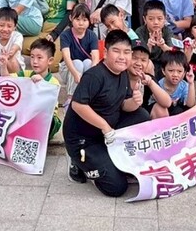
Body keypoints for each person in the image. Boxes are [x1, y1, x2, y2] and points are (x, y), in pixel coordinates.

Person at [63, 29, 151, 196]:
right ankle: (77, 162)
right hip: (84, 140)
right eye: (116, 51)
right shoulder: (94, 76)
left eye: (127, 52)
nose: (122, 57)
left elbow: (123, 104)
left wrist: (135, 102)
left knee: (142, 116)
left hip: (107, 133)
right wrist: (105, 127)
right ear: (105, 52)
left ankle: (111, 156)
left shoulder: (123, 73)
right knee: (117, 188)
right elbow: (78, 105)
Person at [14, 38, 62, 140]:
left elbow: (48, 108)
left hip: (47, 120)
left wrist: (42, 84)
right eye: (32, 57)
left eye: (39, 58)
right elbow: (8, 81)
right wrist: (3, 65)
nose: (35, 61)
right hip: (27, 115)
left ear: (50, 61)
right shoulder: (25, 74)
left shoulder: (54, 83)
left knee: (49, 120)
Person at [58, 4, 98, 97]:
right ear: (70, 18)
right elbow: (66, 57)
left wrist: (93, 74)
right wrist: (75, 73)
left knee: (88, 62)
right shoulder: (65, 35)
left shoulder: (92, 35)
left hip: (84, 70)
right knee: (78, 63)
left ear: (89, 21)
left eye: (84, 20)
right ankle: (70, 96)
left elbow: (95, 57)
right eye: (77, 19)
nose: (81, 23)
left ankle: (88, 94)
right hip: (67, 69)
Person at [152, 50, 195, 117]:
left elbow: (190, 104)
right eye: (171, 70)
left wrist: (191, 83)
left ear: (184, 72)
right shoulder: (158, 86)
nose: (175, 74)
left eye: (179, 71)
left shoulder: (184, 86)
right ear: (163, 71)